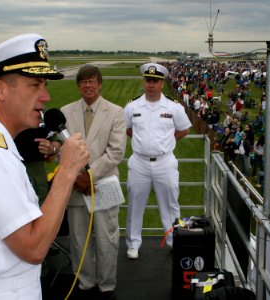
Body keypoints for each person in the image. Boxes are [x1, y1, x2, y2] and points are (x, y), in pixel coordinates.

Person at [0, 33, 89, 300]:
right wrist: (67, 172)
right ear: (0, 90)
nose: (45, 97)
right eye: (35, 85)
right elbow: (33, 249)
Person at [61, 65, 126, 299]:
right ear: (78, 85)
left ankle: (106, 284)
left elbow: (116, 152)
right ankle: (86, 282)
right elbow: (62, 149)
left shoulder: (116, 112)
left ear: (100, 84)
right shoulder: (65, 112)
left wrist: (87, 176)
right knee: (79, 240)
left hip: (103, 184)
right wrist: (74, 175)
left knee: (107, 239)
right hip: (75, 187)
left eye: (92, 81)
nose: (88, 85)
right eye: (83, 82)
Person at [124, 63, 191, 259]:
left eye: (155, 81)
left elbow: (184, 129)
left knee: (171, 205)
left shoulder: (173, 107)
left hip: (165, 162)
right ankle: (133, 244)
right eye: (148, 80)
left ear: (162, 83)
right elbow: (128, 129)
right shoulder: (132, 106)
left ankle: (173, 241)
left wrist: (167, 142)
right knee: (135, 204)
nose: (151, 85)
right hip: (139, 162)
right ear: (143, 82)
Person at [14, 126, 61, 203]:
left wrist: (52, 149)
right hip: (15, 177)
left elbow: (56, 140)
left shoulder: (39, 119)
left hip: (38, 178)